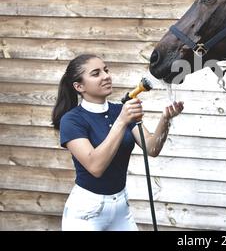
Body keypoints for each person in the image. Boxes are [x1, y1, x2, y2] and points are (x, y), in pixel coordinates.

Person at [51, 54, 184, 231]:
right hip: (87, 212)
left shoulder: (119, 110)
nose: (106, 76)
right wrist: (121, 121)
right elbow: (95, 166)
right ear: (79, 86)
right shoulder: (72, 120)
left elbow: (151, 148)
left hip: (121, 207)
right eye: (96, 73)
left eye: (106, 70)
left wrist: (165, 119)